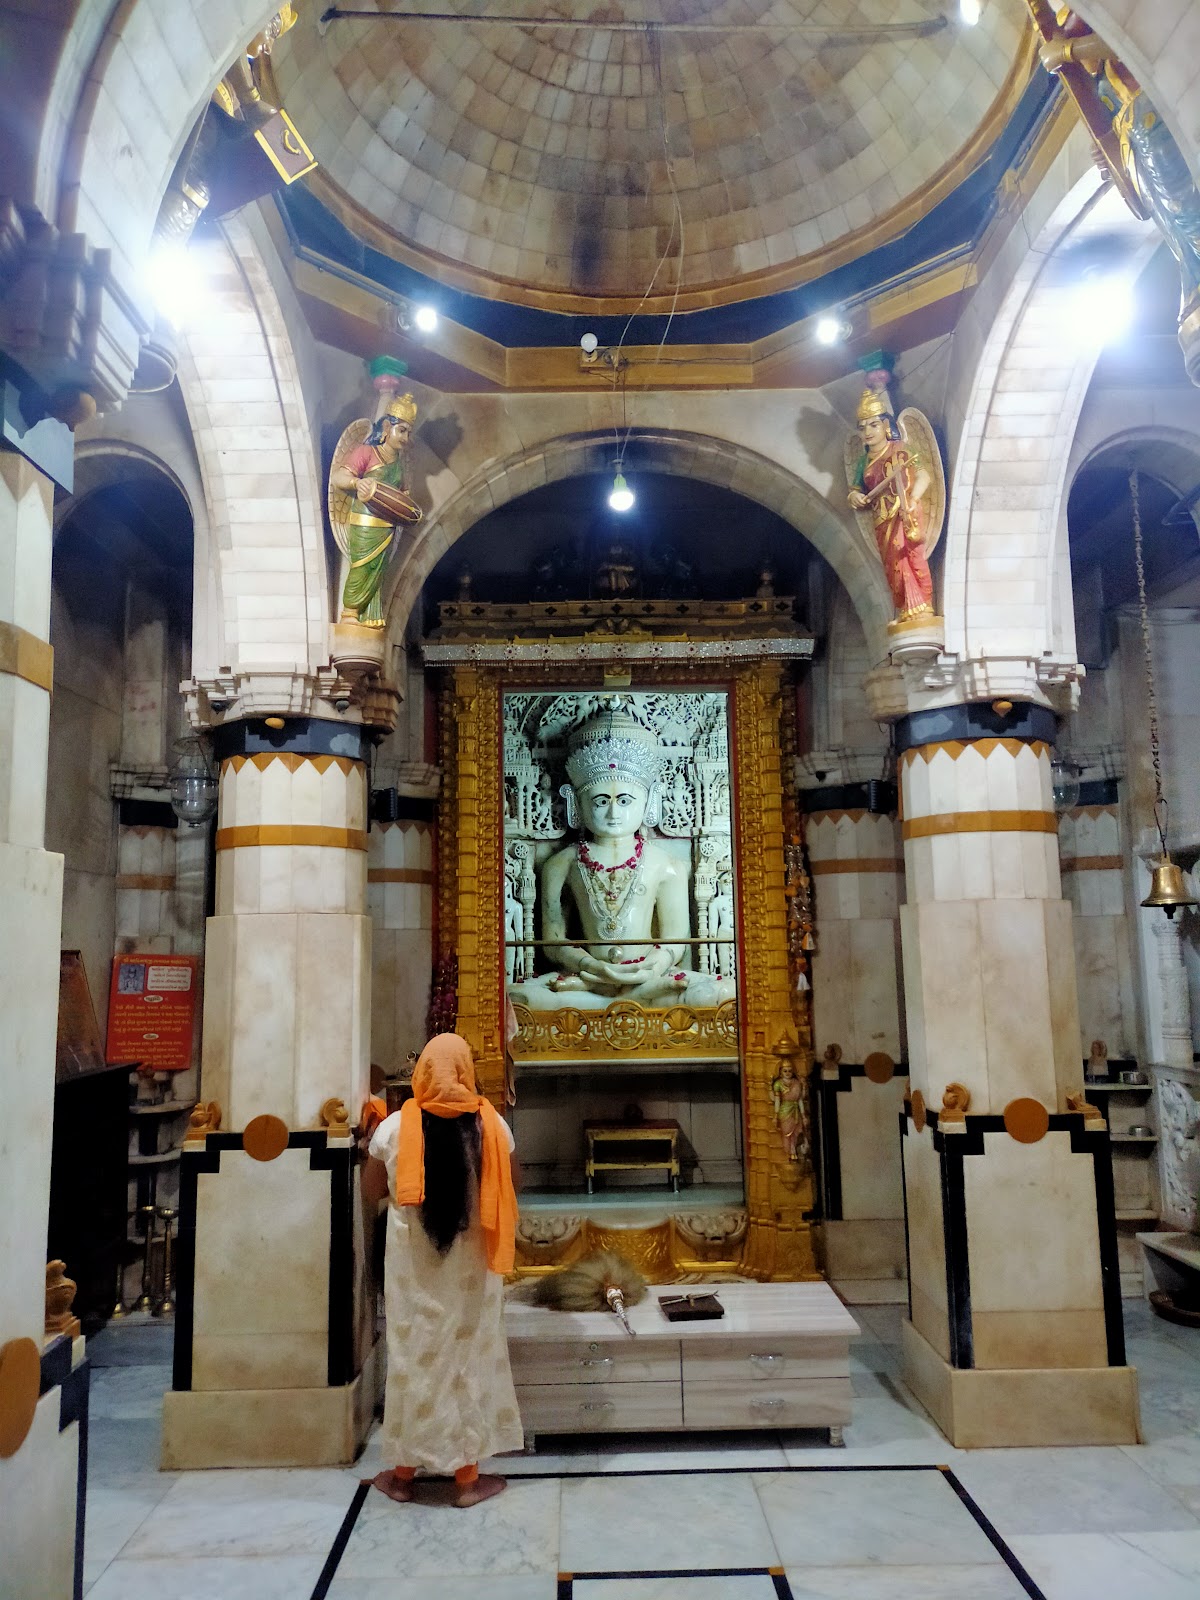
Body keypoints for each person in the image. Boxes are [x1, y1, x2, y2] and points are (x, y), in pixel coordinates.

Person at [361, 1033, 523, 1507]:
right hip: (473, 1270)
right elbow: (514, 1185)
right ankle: (468, 1481)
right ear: (465, 1071)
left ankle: (403, 1476)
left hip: (415, 1272)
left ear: (424, 1073)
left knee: (415, 1360)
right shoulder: (491, 1125)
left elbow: (372, 1193)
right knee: (469, 1358)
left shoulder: (393, 1129)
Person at [508, 702, 735, 1011]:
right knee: (518, 998)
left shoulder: (665, 865)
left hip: (648, 975)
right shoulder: (562, 863)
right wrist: (594, 969)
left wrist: (648, 969)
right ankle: (633, 998)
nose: (614, 813)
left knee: (717, 994)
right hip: (587, 977)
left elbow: (674, 939)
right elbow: (554, 938)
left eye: (625, 800)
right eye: (601, 800)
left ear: (649, 802)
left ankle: (638, 993)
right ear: (577, 803)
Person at [330, 392, 422, 625]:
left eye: (408, 433)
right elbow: (339, 477)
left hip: (386, 526)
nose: (405, 437)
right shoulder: (366, 452)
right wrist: (357, 482)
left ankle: (370, 616)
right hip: (364, 521)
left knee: (378, 571)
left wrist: (406, 504)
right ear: (386, 427)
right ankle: (350, 612)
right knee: (362, 566)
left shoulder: (400, 462)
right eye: (401, 430)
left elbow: (402, 493)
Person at [847, 389, 933, 622]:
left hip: (905, 512)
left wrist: (913, 499)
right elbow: (856, 489)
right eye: (863, 427)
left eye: (873, 425)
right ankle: (905, 607)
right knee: (892, 562)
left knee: (908, 554)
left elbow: (924, 475)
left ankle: (922, 605)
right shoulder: (864, 460)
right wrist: (855, 497)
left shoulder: (901, 449)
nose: (868, 432)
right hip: (881, 518)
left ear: (886, 425)